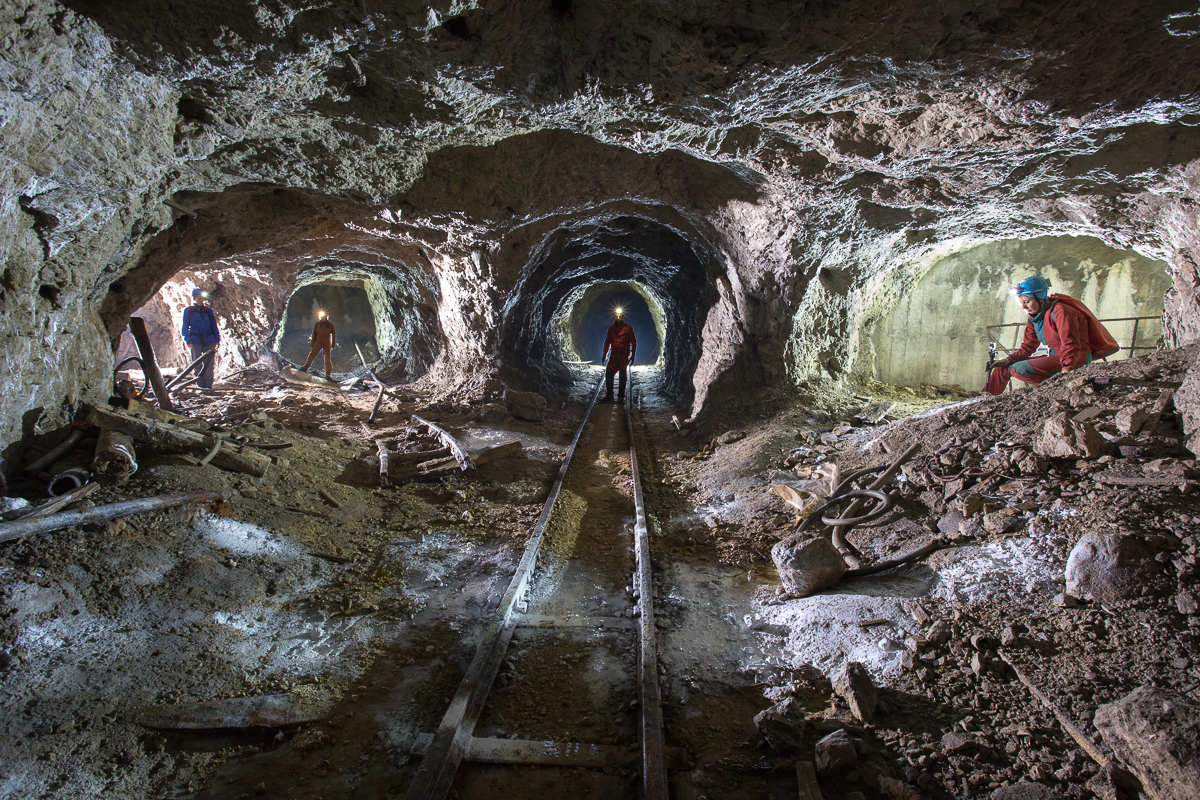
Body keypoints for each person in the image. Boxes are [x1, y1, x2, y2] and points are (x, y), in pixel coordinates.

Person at [986, 276, 1119, 395]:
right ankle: (986, 397)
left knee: (1018, 369)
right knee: (1003, 368)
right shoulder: (1035, 316)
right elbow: (1028, 346)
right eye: (1021, 302)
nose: (1024, 307)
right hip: (1057, 357)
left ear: (1040, 297)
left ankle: (1049, 390)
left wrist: (1066, 370)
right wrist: (1008, 359)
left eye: (1027, 301)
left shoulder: (1062, 311)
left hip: (1076, 357)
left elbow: (1070, 343)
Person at [180, 288, 220, 389]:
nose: (200, 300)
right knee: (197, 364)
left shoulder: (208, 311)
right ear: (194, 298)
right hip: (195, 340)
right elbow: (185, 327)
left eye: (202, 298)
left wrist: (216, 339)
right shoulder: (189, 310)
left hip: (209, 340)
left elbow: (213, 326)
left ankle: (208, 385)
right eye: (198, 297)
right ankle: (200, 385)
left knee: (209, 364)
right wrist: (188, 341)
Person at [601, 309, 637, 403]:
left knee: (622, 376)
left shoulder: (628, 329)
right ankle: (610, 395)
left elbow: (633, 342)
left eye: (620, 316)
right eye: (616, 316)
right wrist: (604, 354)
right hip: (613, 355)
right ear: (614, 317)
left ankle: (620, 396)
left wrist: (632, 355)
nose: (618, 318)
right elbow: (607, 342)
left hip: (623, 355)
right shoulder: (611, 329)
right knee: (608, 373)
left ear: (622, 317)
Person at [301, 310, 337, 379]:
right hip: (318, 341)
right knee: (312, 354)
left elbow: (334, 334)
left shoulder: (330, 325)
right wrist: (312, 343)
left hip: (327, 342)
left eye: (324, 316)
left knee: (327, 359)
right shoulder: (317, 324)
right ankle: (305, 367)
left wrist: (333, 344)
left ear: (326, 317)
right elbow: (314, 333)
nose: (323, 318)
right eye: (322, 317)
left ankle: (328, 374)